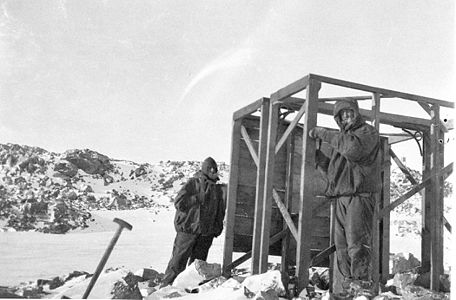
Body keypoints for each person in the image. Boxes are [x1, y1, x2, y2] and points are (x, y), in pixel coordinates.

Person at [308, 99, 381, 294]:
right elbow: (335, 173)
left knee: (357, 244)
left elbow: (353, 150)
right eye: (342, 115)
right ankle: (350, 284)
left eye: (349, 113)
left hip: (359, 196)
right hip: (342, 197)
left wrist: (323, 133)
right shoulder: (342, 138)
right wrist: (318, 158)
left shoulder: (367, 133)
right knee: (341, 245)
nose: (346, 117)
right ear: (338, 119)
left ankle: (362, 284)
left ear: (356, 114)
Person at [160, 157, 226, 287]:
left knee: (196, 267)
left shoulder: (218, 190)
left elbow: (220, 212)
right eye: (210, 169)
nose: (214, 171)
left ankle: (189, 291)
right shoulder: (193, 183)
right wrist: (196, 198)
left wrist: (217, 228)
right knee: (178, 261)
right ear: (205, 170)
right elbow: (179, 203)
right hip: (188, 230)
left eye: (215, 169)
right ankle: (166, 287)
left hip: (206, 233)